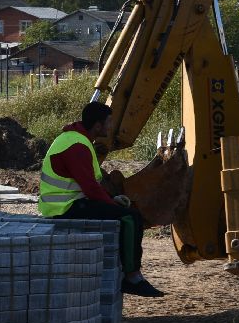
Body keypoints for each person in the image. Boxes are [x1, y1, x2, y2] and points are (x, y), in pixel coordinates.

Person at [38, 101, 164, 297]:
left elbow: (90, 185)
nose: (110, 127)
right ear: (98, 125)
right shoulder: (77, 146)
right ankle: (132, 277)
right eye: (108, 122)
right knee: (130, 218)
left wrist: (112, 198)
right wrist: (112, 202)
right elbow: (89, 188)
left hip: (68, 203)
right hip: (66, 208)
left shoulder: (76, 139)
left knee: (124, 213)